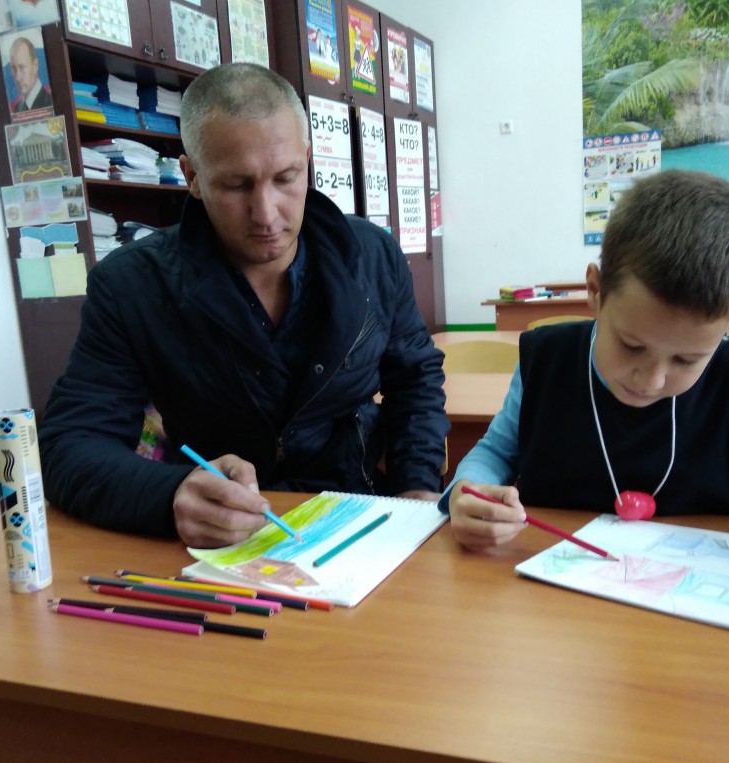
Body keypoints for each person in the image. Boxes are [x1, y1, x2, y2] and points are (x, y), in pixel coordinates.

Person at [445, 170, 729, 632]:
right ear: (596, 293)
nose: (652, 378)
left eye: (686, 359)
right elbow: (494, 452)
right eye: (631, 346)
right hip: (555, 620)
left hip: (707, 628)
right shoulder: (546, 361)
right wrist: (468, 491)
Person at [39, 63, 447, 547]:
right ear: (192, 176)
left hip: (356, 517)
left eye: (286, 178)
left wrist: (417, 489)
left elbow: (415, 379)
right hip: (216, 538)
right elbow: (71, 443)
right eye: (236, 185)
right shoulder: (131, 285)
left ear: (307, 160)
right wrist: (170, 495)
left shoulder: (373, 255)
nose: (267, 214)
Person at [9, 37, 52, 113]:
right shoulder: (17, 109)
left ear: (35, 66)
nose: (17, 77)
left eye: (22, 67)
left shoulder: (50, 104)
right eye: (13, 68)